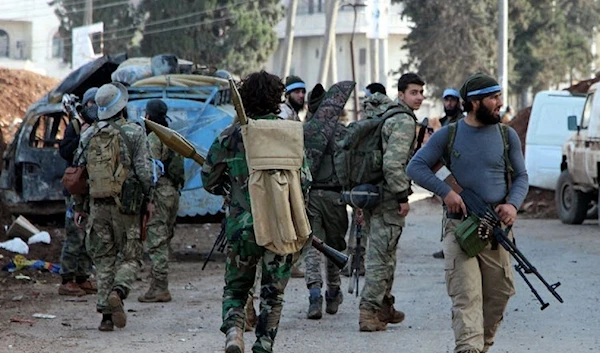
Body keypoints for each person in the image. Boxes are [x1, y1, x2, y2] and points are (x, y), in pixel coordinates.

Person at [406, 73, 528, 353]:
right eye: (493, 98)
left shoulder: (506, 135)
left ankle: (480, 345)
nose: (500, 103)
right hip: (460, 230)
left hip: (496, 230)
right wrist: (446, 192)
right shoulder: (449, 134)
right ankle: (468, 348)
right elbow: (416, 167)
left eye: (499, 96)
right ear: (474, 103)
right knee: (467, 296)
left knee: (499, 295)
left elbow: (521, 176)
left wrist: (513, 205)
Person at [202, 70, 312, 353]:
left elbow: (208, 180)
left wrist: (233, 189)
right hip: (280, 225)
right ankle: (263, 345)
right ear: (277, 98)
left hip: (241, 226)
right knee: (273, 294)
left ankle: (235, 333)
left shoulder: (232, 133)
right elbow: (305, 181)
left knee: (237, 288)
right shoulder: (290, 133)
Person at [73, 82, 153, 332]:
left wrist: (79, 207)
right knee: (132, 257)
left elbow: (79, 174)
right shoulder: (134, 132)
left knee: (104, 261)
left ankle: (106, 319)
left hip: (97, 206)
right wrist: (148, 199)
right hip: (127, 208)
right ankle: (118, 291)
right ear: (122, 106)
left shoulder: (88, 134)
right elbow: (144, 173)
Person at [358, 73, 423, 332]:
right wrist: (402, 197)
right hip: (387, 199)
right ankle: (368, 312)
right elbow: (393, 164)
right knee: (380, 258)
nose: (419, 97)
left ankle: (384, 307)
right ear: (401, 94)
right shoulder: (403, 121)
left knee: (386, 255)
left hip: (374, 195)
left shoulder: (386, 116)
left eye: (421, 92)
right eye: (414, 92)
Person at [303, 83, 348, 320]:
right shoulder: (341, 132)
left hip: (310, 197)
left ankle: (314, 295)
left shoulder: (303, 132)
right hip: (336, 197)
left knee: (313, 246)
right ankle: (333, 292)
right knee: (333, 246)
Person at [138, 99, 184, 303]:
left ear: (148, 116)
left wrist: (147, 198)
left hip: (159, 192)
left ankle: (159, 287)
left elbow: (151, 172)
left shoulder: (153, 139)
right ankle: (158, 283)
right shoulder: (171, 136)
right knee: (164, 238)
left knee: (156, 241)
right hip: (172, 191)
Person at [58, 87, 99, 297]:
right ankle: (67, 279)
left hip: (91, 188)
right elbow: (64, 151)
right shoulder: (75, 125)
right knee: (74, 234)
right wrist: (80, 137)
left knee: (88, 237)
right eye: (93, 104)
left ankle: (82, 277)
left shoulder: (98, 126)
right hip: (75, 190)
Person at [432, 87, 464, 259]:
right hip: (444, 171)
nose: (449, 103)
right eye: (447, 100)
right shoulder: (444, 122)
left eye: (452, 100)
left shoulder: (462, 122)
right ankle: (448, 246)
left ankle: (456, 245)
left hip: (456, 172)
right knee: (448, 209)